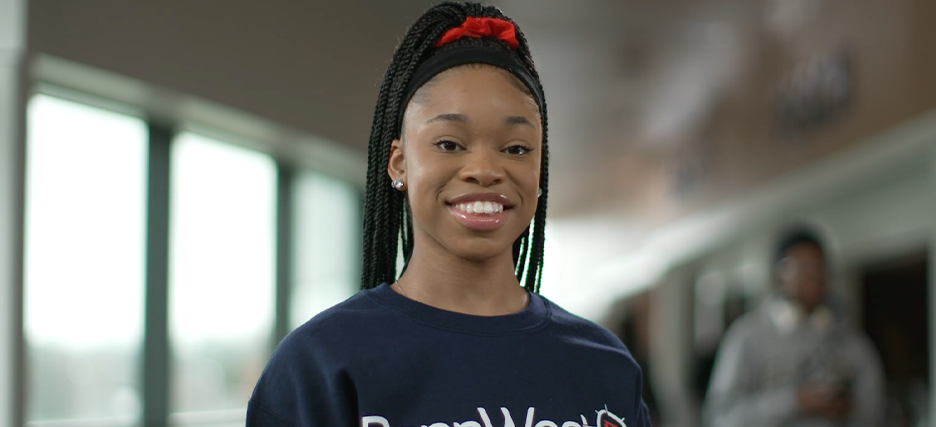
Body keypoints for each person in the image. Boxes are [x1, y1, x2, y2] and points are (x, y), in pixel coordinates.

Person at [246, 3, 652, 426]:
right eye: (449, 144)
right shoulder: (322, 364)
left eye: (515, 148)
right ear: (399, 163)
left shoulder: (602, 365)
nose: (485, 170)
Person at [702, 227, 885, 427]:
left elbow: (873, 414)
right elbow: (721, 418)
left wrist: (846, 410)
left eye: (818, 267)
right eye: (801, 268)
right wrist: (793, 402)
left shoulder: (851, 342)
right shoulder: (747, 337)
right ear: (779, 274)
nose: (812, 277)